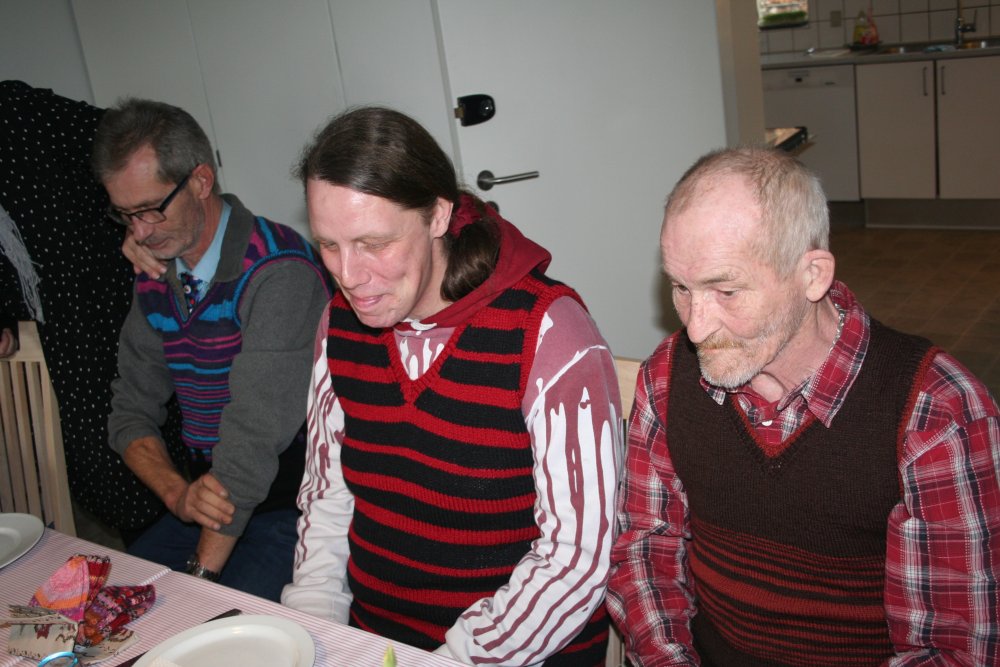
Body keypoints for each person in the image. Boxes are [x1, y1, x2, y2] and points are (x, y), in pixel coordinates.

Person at [606, 146, 1000, 666]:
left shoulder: (937, 412)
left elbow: (956, 646)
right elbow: (646, 548)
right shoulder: (665, 376)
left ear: (812, 275)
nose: (696, 327)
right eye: (681, 287)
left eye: (727, 291)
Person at [280, 106, 621, 666]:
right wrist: (316, 635)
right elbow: (327, 498)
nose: (349, 276)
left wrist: (447, 659)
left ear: (438, 215)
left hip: (510, 651)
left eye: (373, 243)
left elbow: (575, 559)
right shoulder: (339, 323)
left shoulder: (547, 331)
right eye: (329, 245)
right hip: (373, 645)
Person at [93, 98, 331, 601]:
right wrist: (179, 495)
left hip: (293, 502)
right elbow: (129, 411)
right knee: (104, 605)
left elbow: (252, 441)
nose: (139, 233)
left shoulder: (278, 270)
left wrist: (200, 579)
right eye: (125, 215)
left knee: (205, 621)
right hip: (210, 493)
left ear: (201, 181)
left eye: (150, 209)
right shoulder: (156, 269)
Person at [1, 80, 178, 532]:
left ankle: (174, 542)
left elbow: (126, 136)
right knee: (90, 460)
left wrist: (135, 220)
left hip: (98, 291)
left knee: (133, 428)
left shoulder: (16, 113)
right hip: (48, 328)